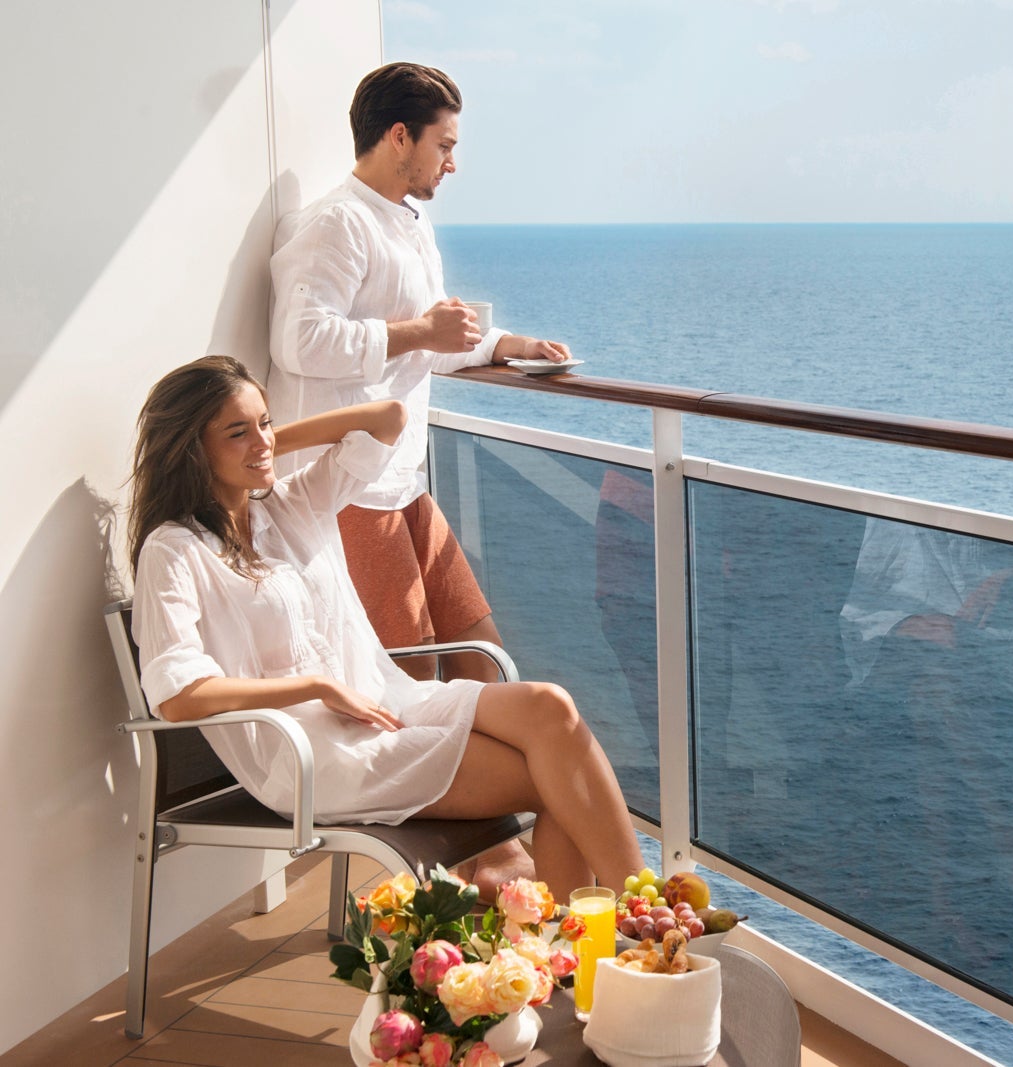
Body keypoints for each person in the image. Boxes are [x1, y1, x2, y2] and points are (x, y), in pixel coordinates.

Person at [128, 356, 642, 898]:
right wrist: (317, 687)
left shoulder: (288, 505)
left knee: (550, 708)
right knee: (559, 781)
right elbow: (180, 698)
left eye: (266, 422)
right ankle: (629, 939)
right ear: (191, 449)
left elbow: (388, 418)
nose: (263, 441)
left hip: (387, 701)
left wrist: (259, 448)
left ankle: (641, 915)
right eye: (238, 431)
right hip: (315, 759)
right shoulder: (174, 551)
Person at [267, 61, 570, 684]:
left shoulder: (410, 224)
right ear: (399, 136)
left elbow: (421, 342)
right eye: (445, 145)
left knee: (485, 658)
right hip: (346, 485)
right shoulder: (335, 223)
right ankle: (441, 782)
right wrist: (420, 332)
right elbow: (298, 341)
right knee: (412, 678)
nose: (451, 164)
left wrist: (506, 344)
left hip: (404, 479)